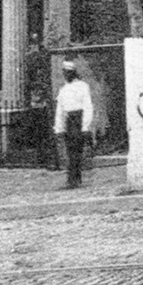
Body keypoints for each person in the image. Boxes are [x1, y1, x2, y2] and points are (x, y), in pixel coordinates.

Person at [53, 60, 93, 189]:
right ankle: (72, 178)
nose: (67, 75)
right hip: (68, 120)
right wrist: (59, 128)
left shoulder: (82, 86)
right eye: (65, 73)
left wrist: (85, 126)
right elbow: (60, 109)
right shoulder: (63, 89)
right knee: (70, 151)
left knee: (76, 150)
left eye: (69, 73)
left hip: (78, 119)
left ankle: (74, 179)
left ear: (74, 73)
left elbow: (88, 106)